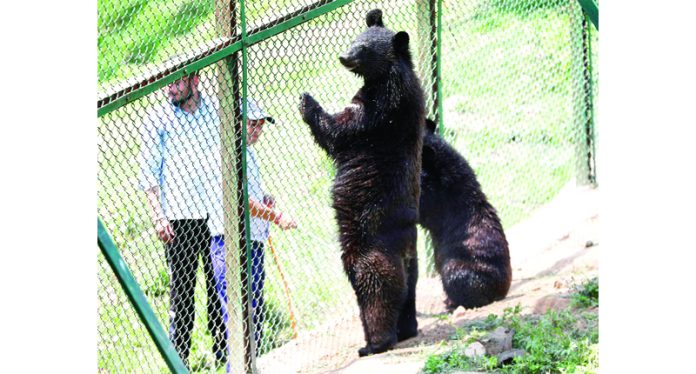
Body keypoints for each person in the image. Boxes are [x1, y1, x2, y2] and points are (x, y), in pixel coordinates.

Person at [139, 71, 296, 366]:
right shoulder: (157, 119)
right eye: (167, 83)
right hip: (178, 217)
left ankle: (230, 359)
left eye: (176, 82)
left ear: (195, 81)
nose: (169, 88)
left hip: (217, 216)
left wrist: (259, 196)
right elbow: (148, 173)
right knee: (182, 298)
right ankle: (180, 364)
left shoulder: (217, 111)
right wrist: (158, 216)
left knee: (220, 296)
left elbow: (236, 159)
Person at [212, 98, 298, 359]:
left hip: (253, 240)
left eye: (261, 126)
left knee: (254, 312)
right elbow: (241, 202)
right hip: (232, 242)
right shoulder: (229, 152)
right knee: (239, 316)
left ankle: (250, 365)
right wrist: (276, 216)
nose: (257, 131)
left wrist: (265, 201)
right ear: (236, 123)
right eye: (253, 125)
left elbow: (251, 198)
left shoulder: (248, 153)